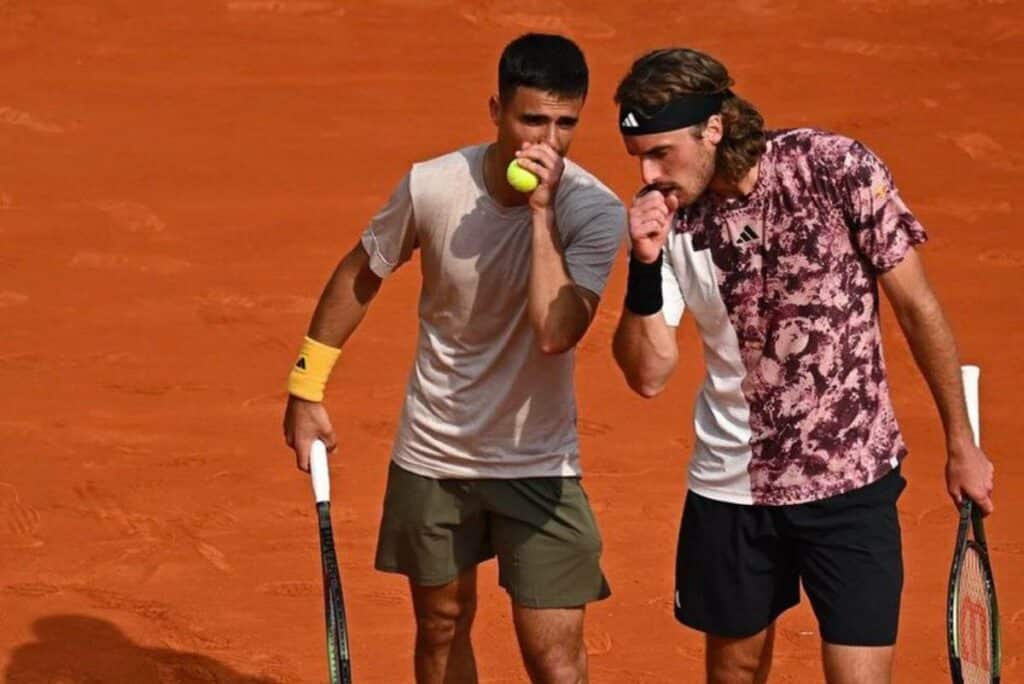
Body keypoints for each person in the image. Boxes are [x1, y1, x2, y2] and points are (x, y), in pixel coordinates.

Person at [610, 47, 995, 684]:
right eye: (638, 157)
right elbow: (648, 375)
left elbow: (917, 306)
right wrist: (644, 264)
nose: (650, 175)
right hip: (732, 486)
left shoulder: (832, 167)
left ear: (713, 128)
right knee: (733, 672)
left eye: (661, 153)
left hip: (851, 479)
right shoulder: (668, 223)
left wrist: (962, 442)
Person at [282, 34, 624, 684]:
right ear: (496, 110)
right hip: (434, 453)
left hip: (539, 464)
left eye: (565, 124)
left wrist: (542, 215)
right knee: (440, 628)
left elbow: (556, 332)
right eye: (532, 120)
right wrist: (306, 385)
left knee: (555, 660)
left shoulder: (594, 212)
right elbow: (361, 272)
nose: (548, 142)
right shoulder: (433, 186)